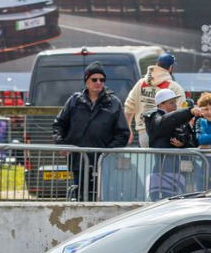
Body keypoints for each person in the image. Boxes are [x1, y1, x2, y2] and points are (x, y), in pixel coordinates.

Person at [53, 61, 131, 201]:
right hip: (79, 162)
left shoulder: (114, 103)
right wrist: (62, 145)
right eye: (94, 79)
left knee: (102, 199)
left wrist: (106, 153)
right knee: (80, 199)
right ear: (86, 81)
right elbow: (58, 124)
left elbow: (123, 133)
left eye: (102, 79)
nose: (98, 83)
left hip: (103, 164)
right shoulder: (74, 101)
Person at [144, 88, 198, 199]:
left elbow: (192, 140)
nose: (175, 105)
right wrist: (189, 112)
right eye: (171, 103)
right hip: (162, 169)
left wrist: (183, 144)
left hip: (182, 169)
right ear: (161, 105)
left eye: (175, 102)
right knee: (159, 201)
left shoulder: (180, 118)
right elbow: (165, 122)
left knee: (180, 199)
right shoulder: (154, 117)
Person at [125, 52, 185, 146]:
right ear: (170, 67)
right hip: (165, 134)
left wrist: (128, 128)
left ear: (156, 65)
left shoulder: (140, 84)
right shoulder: (174, 87)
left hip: (143, 135)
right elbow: (181, 113)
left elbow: (128, 107)